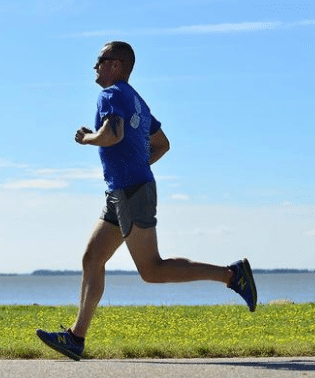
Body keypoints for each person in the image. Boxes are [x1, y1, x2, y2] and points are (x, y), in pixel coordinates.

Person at [36, 41, 257, 361]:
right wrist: (136, 164)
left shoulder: (111, 95)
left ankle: (232, 276)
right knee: (92, 258)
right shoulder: (136, 100)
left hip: (131, 191)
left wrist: (87, 138)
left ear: (117, 65)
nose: (95, 66)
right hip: (121, 191)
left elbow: (111, 134)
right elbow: (162, 144)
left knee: (152, 270)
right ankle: (75, 338)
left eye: (100, 60)